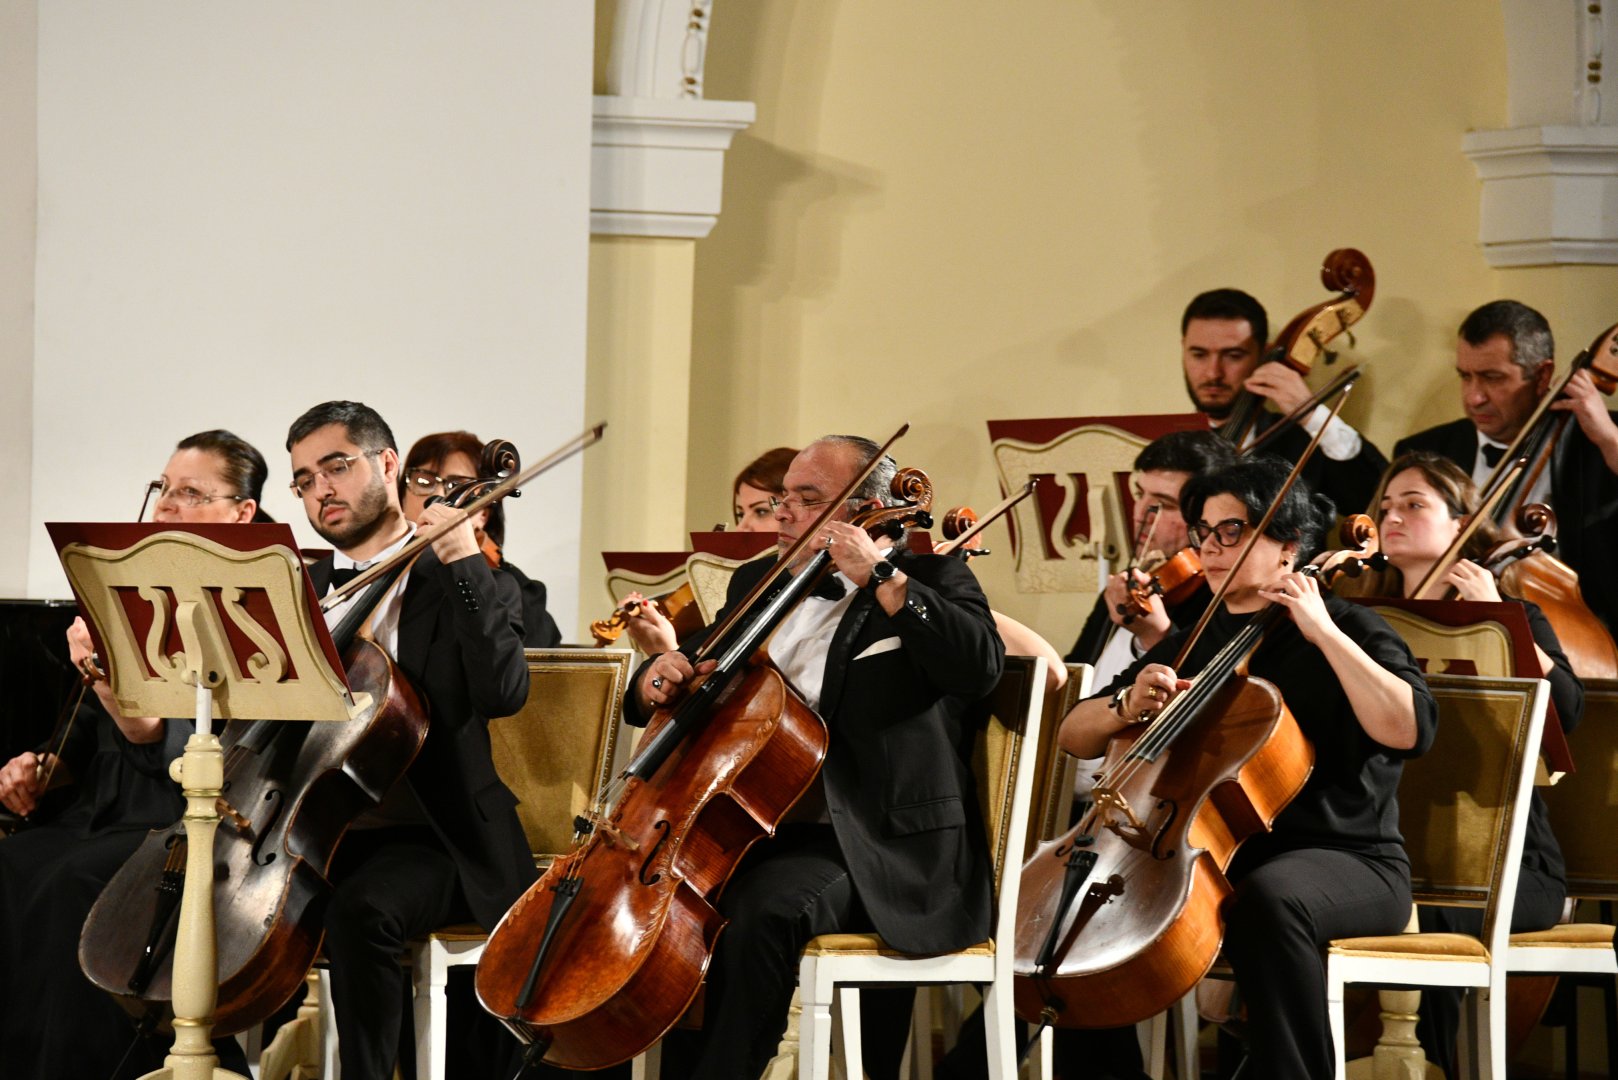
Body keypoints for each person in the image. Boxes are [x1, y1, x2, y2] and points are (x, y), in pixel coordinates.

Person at [629, 435, 1005, 1080]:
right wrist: (657, 674)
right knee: (659, 918)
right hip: (756, 829)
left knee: (760, 914)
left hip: (874, 841)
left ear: (867, 511)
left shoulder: (932, 577)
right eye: (782, 500)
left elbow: (979, 667)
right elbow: (695, 666)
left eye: (807, 501)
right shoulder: (759, 581)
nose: (783, 514)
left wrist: (880, 577)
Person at [1060, 457, 1437, 1078]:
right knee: (1082, 905)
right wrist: (1127, 704)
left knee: (1268, 901)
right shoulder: (1194, 633)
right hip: (1213, 856)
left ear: (1289, 543)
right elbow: (1074, 735)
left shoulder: (1351, 626)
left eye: (1232, 531)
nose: (1210, 547)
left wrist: (1323, 634)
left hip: (1348, 859)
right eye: (1204, 531)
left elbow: (1409, 729)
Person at [0, 430, 269, 1080]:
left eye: (190, 493)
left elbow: (156, 740)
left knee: (73, 885)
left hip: (183, 819)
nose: (167, 507)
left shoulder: (253, 606)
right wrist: (43, 765)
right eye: (165, 490)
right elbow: (92, 734)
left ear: (241, 513)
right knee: (9, 860)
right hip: (105, 810)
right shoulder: (134, 591)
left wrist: (100, 672)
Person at [285, 401, 533, 1080]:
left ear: (388, 465)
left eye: (336, 467)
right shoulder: (312, 599)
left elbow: (503, 693)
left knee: (360, 910)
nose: (321, 490)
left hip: (440, 835)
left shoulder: (468, 582)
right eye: (304, 480)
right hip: (331, 830)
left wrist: (459, 558)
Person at [1366, 451, 1582, 1076]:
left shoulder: (1516, 618)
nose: (1392, 518)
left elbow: (1566, 712)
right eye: (1386, 507)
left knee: (1401, 918)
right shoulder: (1367, 623)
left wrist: (1501, 622)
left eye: (1414, 504)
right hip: (1395, 854)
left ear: (1464, 523)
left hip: (1514, 869)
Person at [1393, 299, 1618, 633]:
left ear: (1542, 375)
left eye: (1492, 378)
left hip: (1573, 634)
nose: (1474, 397)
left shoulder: (1597, 440)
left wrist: (1607, 437)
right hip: (1446, 627)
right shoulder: (1430, 449)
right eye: (1465, 377)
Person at [1181, 288, 1387, 514]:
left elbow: (1378, 505)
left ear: (1263, 356)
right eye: (1199, 355)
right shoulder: (1165, 443)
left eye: (1233, 356)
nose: (1213, 373)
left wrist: (1311, 414)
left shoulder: (1302, 443)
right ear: (1184, 350)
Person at [1067, 430, 1237, 675]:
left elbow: (1203, 695)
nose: (1140, 514)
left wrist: (1156, 635)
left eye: (1164, 504)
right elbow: (1077, 668)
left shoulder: (1222, 597)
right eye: (1139, 494)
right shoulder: (1129, 582)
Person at [398, 429, 563, 647]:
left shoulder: (517, 593)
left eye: (457, 486)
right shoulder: (381, 570)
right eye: (424, 481)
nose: (436, 498)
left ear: (483, 515)